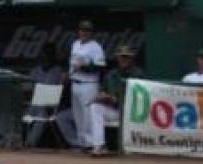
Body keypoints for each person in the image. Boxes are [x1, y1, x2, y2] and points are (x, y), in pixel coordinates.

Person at [90, 45, 145, 156]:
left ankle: (133, 146)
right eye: (121, 57)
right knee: (95, 107)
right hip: (116, 111)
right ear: (117, 58)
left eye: (126, 57)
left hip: (132, 112)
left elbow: (140, 97)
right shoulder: (111, 74)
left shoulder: (138, 74)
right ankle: (99, 145)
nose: (123, 59)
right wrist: (101, 97)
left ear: (131, 59)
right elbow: (103, 90)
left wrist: (117, 99)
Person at [68, 20, 106, 152]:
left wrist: (84, 67)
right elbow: (72, 64)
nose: (84, 32)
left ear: (91, 33)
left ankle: (91, 143)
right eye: (82, 30)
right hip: (75, 82)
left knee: (88, 115)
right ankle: (82, 142)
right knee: (77, 115)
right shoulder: (75, 44)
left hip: (89, 84)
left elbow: (101, 67)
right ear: (78, 31)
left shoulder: (96, 47)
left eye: (87, 30)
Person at [25, 43, 69, 147]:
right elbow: (27, 89)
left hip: (51, 105)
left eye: (50, 53)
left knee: (42, 115)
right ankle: (9, 142)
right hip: (34, 103)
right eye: (45, 53)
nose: (47, 56)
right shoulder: (36, 70)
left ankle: (30, 143)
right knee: (19, 114)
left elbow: (62, 91)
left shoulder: (59, 71)